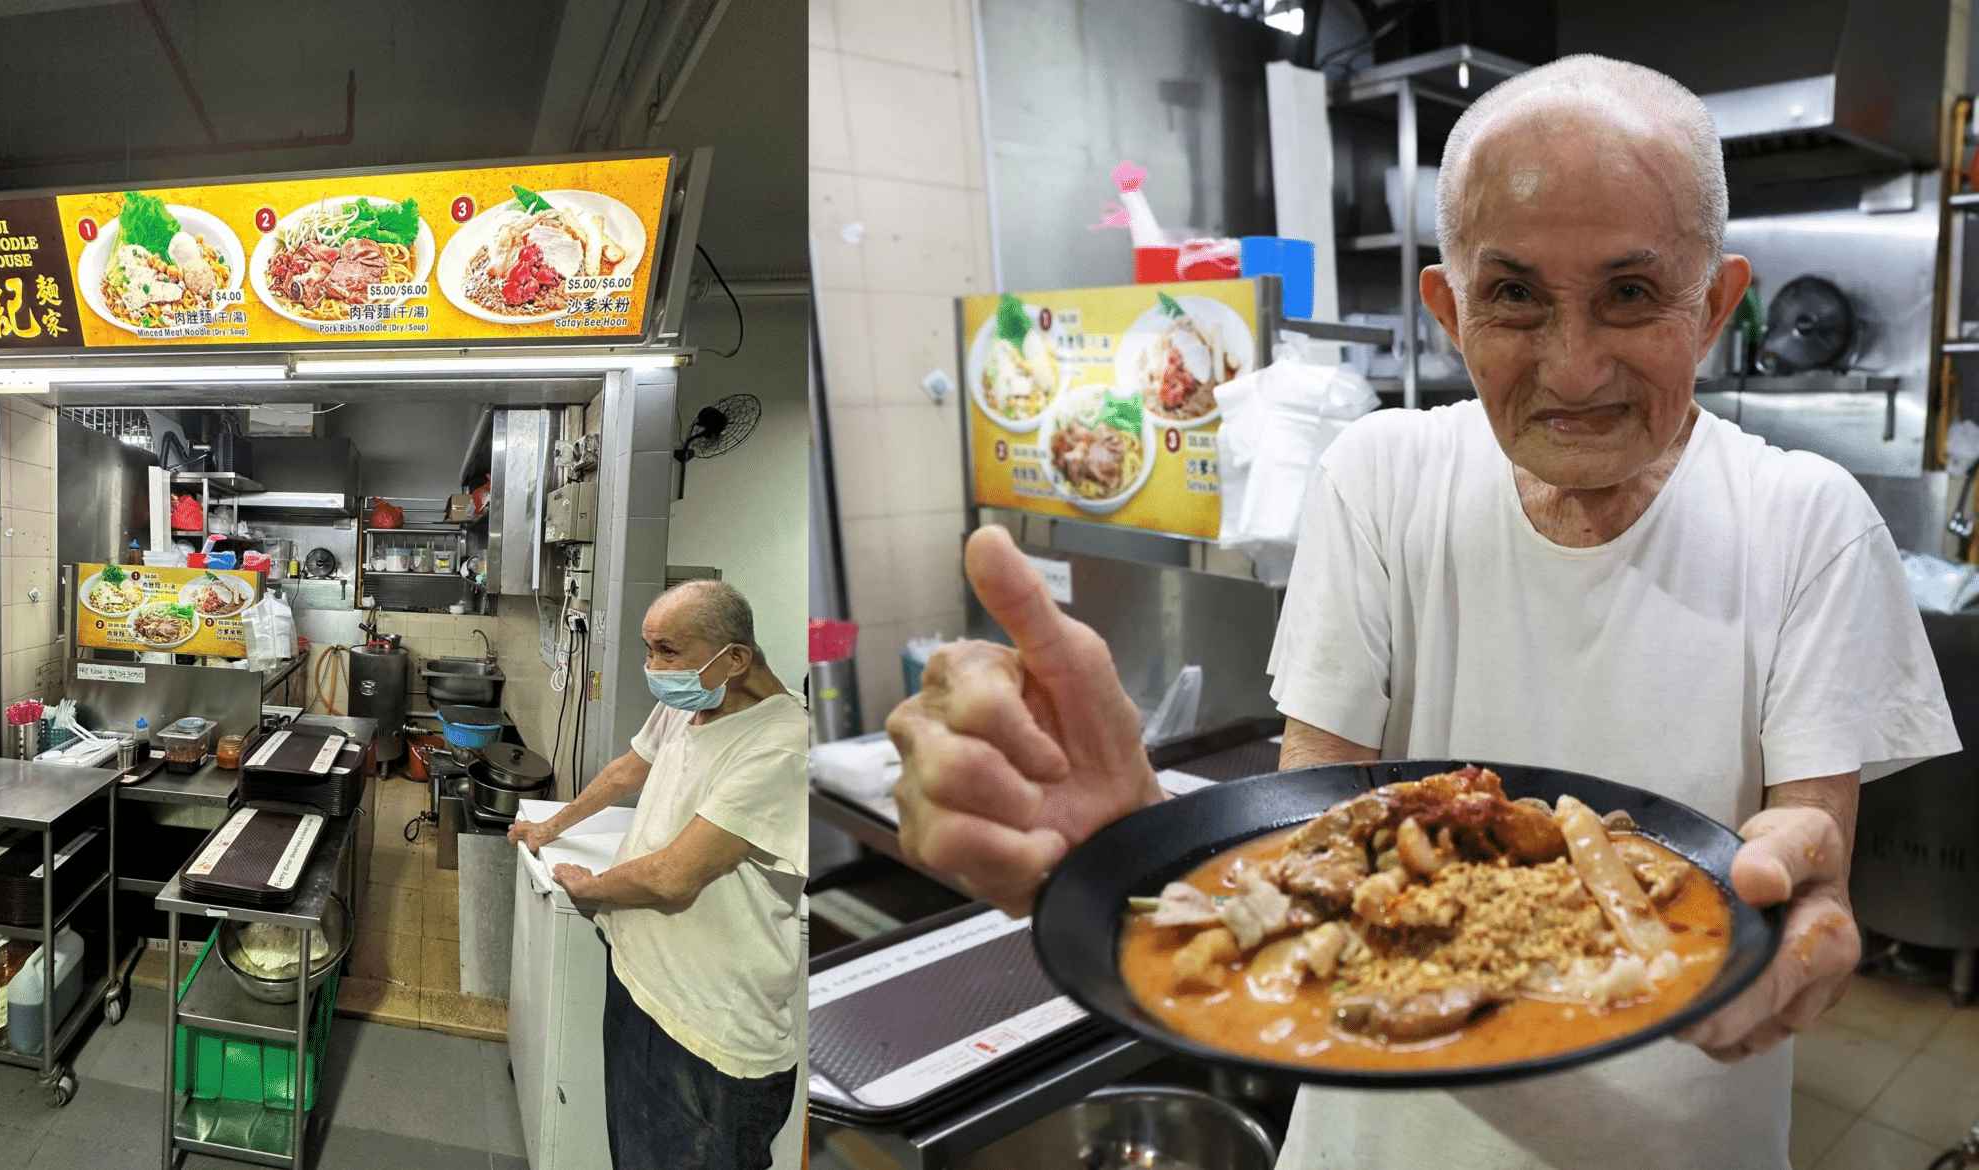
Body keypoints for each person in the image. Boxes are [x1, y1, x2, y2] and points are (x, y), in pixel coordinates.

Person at [886, 55, 1959, 1170]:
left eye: (1631, 294)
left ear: (1714, 307)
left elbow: (1811, 877)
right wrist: (1137, 848)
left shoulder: (1808, 521)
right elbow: (1317, 836)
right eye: (1513, 296)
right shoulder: (1382, 477)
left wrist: (1809, 916)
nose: (1574, 366)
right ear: (1449, 308)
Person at [510, 580, 808, 1170]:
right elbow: (627, 772)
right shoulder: (691, 699)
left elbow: (675, 876)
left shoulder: (782, 747)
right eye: (649, 649)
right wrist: (553, 824)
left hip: (706, 1033)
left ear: (736, 658)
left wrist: (586, 887)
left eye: (667, 651)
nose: (653, 667)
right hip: (638, 984)